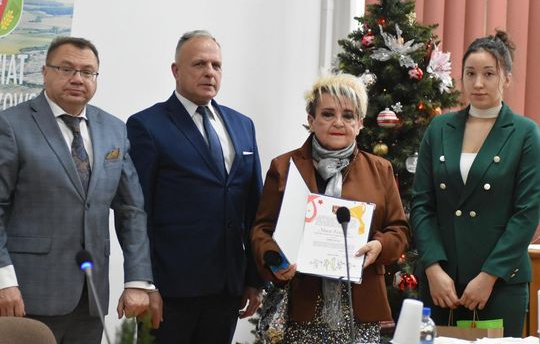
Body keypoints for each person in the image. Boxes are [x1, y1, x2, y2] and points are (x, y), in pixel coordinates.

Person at [0, 37, 161, 343]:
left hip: (90, 298)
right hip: (26, 294)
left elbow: (131, 210)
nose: (77, 78)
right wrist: (2, 280)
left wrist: (138, 280)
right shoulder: (10, 125)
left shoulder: (114, 129)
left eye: (87, 72)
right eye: (66, 69)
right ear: (45, 73)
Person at [251, 73, 410, 343]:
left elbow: (399, 231)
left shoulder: (380, 169)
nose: (338, 122)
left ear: (359, 124)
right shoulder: (284, 167)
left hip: (361, 310)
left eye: (348, 116)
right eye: (327, 114)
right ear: (311, 120)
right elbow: (261, 230)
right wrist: (275, 260)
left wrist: (380, 246)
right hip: (301, 307)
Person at [126, 30, 263, 343]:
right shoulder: (147, 125)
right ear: (176, 70)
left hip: (227, 288)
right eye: (199, 64)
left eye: (216, 65)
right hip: (170, 290)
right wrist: (145, 284)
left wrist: (254, 279)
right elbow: (137, 213)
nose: (209, 72)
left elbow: (254, 207)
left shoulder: (242, 125)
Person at [410, 31, 540, 337]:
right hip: (441, 284)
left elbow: (526, 213)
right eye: (470, 73)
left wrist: (489, 276)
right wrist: (433, 268)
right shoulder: (440, 128)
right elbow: (422, 204)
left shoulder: (525, 134)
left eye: (489, 74)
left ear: (506, 78)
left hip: (499, 284)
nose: (478, 83)